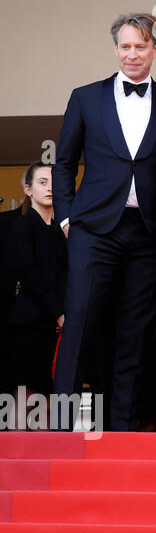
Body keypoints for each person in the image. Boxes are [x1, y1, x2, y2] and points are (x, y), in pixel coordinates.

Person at [52, 12, 156, 430]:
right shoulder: (85, 97)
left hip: (147, 235)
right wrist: (66, 218)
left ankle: (121, 433)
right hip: (93, 231)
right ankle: (61, 430)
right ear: (116, 49)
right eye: (126, 46)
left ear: (155, 49)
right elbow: (62, 163)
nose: (133, 54)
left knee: (135, 335)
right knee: (79, 325)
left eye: (141, 46)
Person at [1, 164, 67, 399]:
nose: (50, 188)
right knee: (25, 397)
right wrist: (58, 312)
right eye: (42, 182)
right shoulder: (22, 225)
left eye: (53, 182)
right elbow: (31, 275)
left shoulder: (64, 230)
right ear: (27, 189)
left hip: (56, 327)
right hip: (28, 326)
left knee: (51, 399)